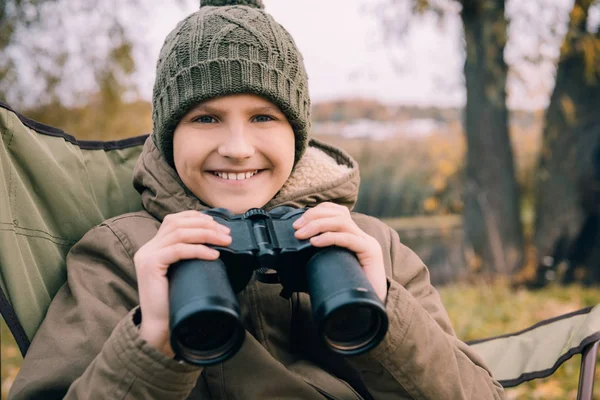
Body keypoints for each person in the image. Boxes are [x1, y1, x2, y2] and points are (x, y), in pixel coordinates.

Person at [9, 1, 505, 398]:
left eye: (264, 117)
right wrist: (153, 340)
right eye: (205, 118)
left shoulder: (372, 245)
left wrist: (385, 310)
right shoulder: (123, 254)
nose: (238, 147)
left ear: (298, 134)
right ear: (167, 136)